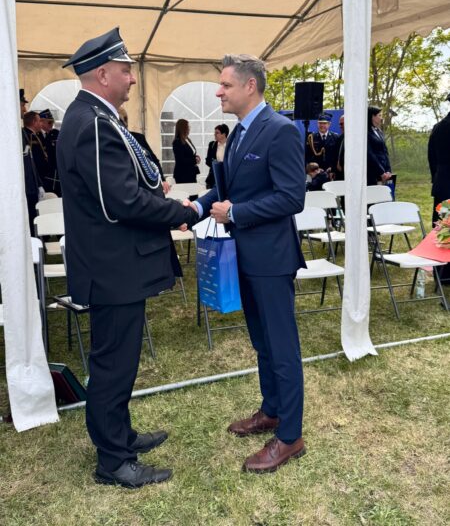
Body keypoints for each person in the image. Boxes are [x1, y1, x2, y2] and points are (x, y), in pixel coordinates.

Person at [57, 27, 198, 488]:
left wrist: (159, 196)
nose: (133, 78)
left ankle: (120, 436)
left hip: (113, 264)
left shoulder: (95, 117)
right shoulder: (94, 124)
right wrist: (180, 212)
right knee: (113, 365)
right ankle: (114, 461)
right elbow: (123, 202)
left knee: (119, 361)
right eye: (125, 70)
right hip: (112, 267)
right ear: (103, 74)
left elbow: (127, 187)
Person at [188, 54, 306, 473]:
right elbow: (226, 188)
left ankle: (290, 437)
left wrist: (235, 213)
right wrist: (195, 207)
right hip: (246, 256)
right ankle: (271, 411)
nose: (218, 92)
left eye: (225, 85)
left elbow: (292, 197)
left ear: (250, 86)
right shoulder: (238, 132)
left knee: (282, 347)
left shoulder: (280, 130)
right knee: (262, 341)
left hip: (271, 258)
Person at [118, 106, 170, 194]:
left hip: (143, 188)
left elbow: (154, 160)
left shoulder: (138, 138)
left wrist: (162, 179)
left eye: (120, 121)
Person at [428, 93, 450, 283]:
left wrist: (437, 177)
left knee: (443, 227)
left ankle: (441, 272)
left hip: (442, 182)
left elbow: (431, 158)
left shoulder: (438, 127)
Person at [20, 91, 43, 232]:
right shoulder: (20, 133)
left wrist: (38, 184)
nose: (24, 109)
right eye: (22, 105)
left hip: (32, 185)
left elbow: (31, 161)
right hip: (26, 186)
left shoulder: (22, 133)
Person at [367, 106, 392, 185]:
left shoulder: (379, 132)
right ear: (373, 117)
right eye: (379, 115)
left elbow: (385, 152)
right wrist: (381, 172)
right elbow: (369, 154)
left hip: (385, 173)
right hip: (373, 173)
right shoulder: (366, 132)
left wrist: (388, 170)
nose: (381, 118)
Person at [172, 118, 200, 183]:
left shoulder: (187, 139)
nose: (189, 128)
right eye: (188, 126)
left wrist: (196, 157)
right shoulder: (177, 142)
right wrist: (194, 160)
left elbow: (189, 154)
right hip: (183, 174)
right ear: (183, 128)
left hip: (191, 172)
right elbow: (181, 159)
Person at [39, 108, 60, 194]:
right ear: (41, 122)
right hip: (43, 174)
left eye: (52, 122)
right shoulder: (36, 135)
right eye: (49, 122)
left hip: (55, 172)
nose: (51, 125)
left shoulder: (55, 134)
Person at [205, 123, 229, 188]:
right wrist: (215, 163)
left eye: (217, 133)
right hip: (214, 178)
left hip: (227, 177)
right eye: (214, 133)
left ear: (224, 134)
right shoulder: (212, 145)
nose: (214, 134)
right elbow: (207, 161)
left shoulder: (231, 145)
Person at [334, 113, 345, 181]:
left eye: (342, 124)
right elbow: (335, 155)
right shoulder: (339, 138)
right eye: (339, 124)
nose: (340, 126)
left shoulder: (355, 139)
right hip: (339, 174)